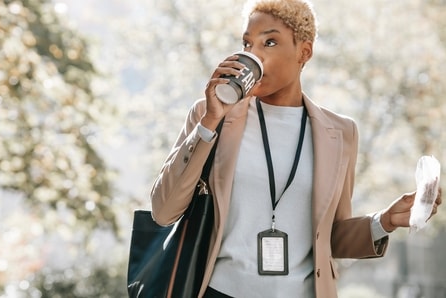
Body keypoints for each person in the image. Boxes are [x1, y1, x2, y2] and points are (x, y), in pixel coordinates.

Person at [150, 0, 443, 297]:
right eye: (247, 43)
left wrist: (386, 221)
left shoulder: (341, 133)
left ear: (304, 52)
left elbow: (333, 237)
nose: (254, 54)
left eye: (270, 42)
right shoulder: (213, 116)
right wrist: (210, 120)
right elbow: (163, 211)